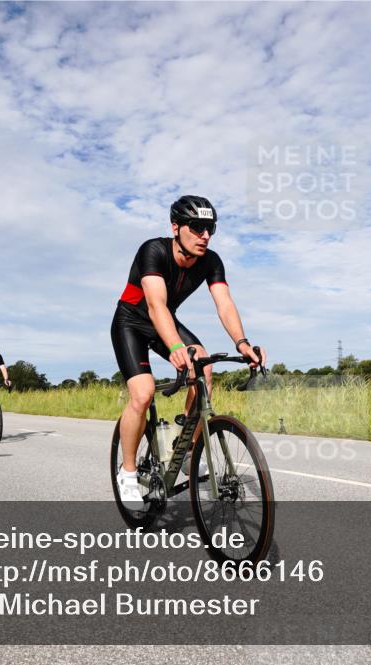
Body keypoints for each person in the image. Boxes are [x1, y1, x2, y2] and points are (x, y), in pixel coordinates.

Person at [111, 195, 266, 509]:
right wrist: (177, 348)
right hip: (132, 322)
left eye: (210, 228)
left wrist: (243, 343)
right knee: (141, 394)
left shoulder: (211, 261)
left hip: (165, 321)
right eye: (197, 228)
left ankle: (185, 447)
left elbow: (224, 304)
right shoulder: (153, 250)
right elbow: (155, 306)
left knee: (204, 367)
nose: (205, 235)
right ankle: (127, 473)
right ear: (176, 227)